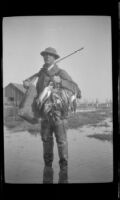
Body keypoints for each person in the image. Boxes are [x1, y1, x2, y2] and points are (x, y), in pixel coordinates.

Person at [24, 47, 81, 183]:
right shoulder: (41, 74)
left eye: (50, 55)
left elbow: (76, 89)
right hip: (44, 115)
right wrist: (27, 85)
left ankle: (64, 170)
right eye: (45, 55)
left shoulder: (61, 72)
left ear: (55, 58)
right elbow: (36, 91)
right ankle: (48, 168)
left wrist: (61, 81)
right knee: (46, 140)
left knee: (61, 142)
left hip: (59, 115)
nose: (46, 57)